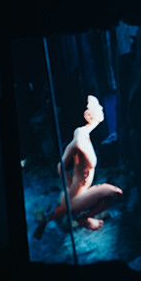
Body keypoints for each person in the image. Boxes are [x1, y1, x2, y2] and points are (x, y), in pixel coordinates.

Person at [34, 95, 123, 238]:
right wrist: (72, 187)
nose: (101, 108)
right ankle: (84, 219)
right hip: (76, 194)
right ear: (87, 115)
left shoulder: (82, 134)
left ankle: (45, 220)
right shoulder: (80, 138)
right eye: (96, 107)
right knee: (115, 192)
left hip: (78, 192)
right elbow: (60, 167)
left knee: (65, 210)